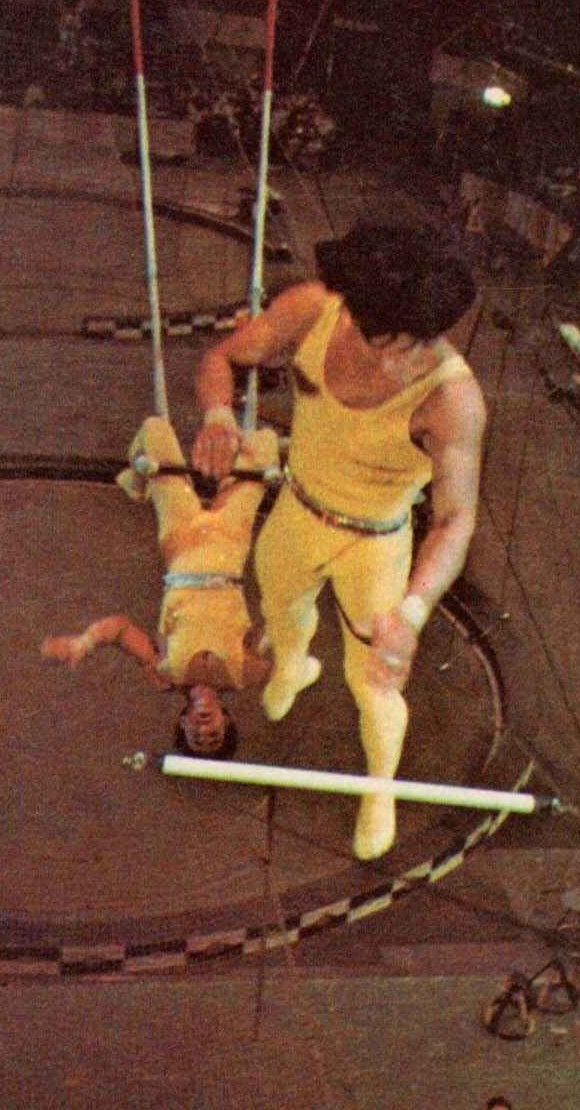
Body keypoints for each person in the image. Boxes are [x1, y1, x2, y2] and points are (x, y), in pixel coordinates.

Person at [193, 206, 486, 861]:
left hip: (374, 542)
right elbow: (223, 356)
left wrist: (411, 613)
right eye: (379, 332)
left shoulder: (452, 399)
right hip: (297, 509)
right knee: (279, 607)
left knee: (375, 681)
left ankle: (379, 786)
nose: (390, 355)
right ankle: (294, 667)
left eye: (408, 341)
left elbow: (455, 519)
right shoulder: (313, 309)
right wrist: (217, 414)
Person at [41, 416, 278, 757]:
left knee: (154, 431)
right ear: (226, 720)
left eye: (197, 737)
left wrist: (84, 642)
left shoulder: (164, 674)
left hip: (181, 546)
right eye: (214, 736)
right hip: (229, 544)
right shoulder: (246, 675)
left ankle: (140, 482)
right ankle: (189, 470)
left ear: (183, 722)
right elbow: (280, 626)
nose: (204, 729)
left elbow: (120, 631)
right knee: (265, 442)